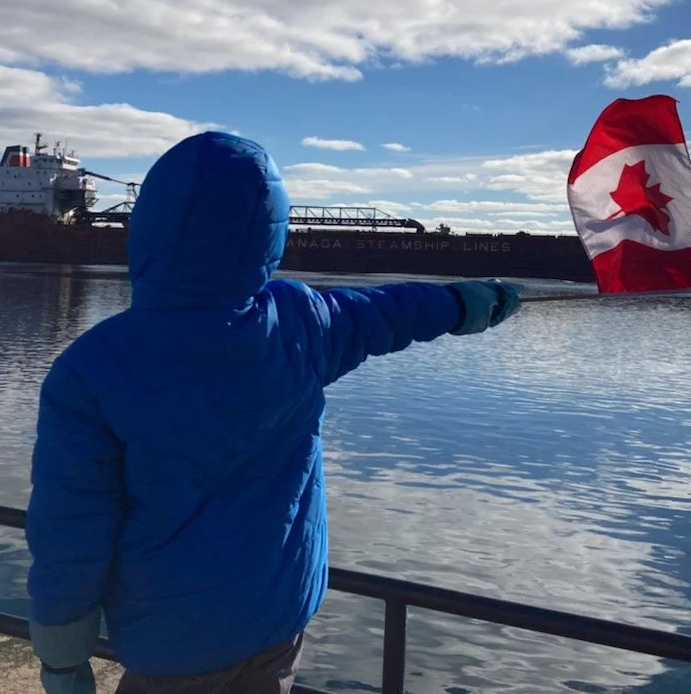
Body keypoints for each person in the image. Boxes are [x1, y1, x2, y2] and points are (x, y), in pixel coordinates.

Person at [25, 132, 520, 694]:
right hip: (280, 614)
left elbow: (70, 528)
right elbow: (391, 311)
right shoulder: (302, 321)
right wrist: (465, 302)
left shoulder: (92, 367)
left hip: (175, 635)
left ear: (151, 225)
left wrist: (62, 656)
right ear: (269, 231)